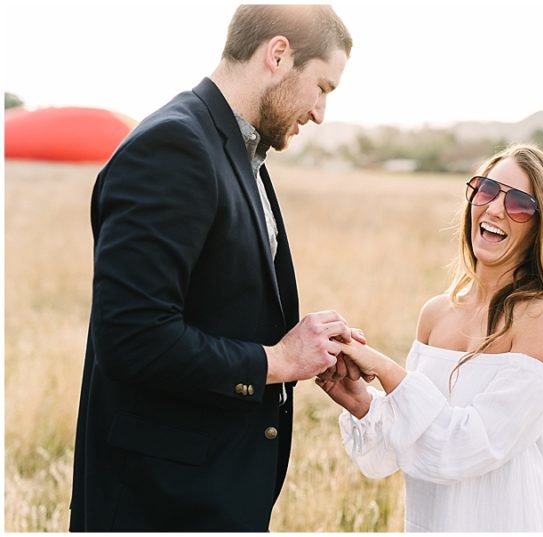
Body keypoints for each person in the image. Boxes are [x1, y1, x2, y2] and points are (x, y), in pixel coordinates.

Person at [70, 5, 354, 531]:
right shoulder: (174, 146)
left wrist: (306, 344)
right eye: (323, 87)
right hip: (158, 505)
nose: (319, 113)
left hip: (209, 494)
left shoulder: (239, 150)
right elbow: (132, 337)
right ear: (278, 54)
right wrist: (274, 361)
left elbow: (219, 304)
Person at [317, 143, 543, 532]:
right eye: (487, 190)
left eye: (519, 204)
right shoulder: (436, 313)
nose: (494, 208)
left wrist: (387, 371)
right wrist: (362, 403)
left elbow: (461, 449)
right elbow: (396, 452)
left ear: (542, 227)